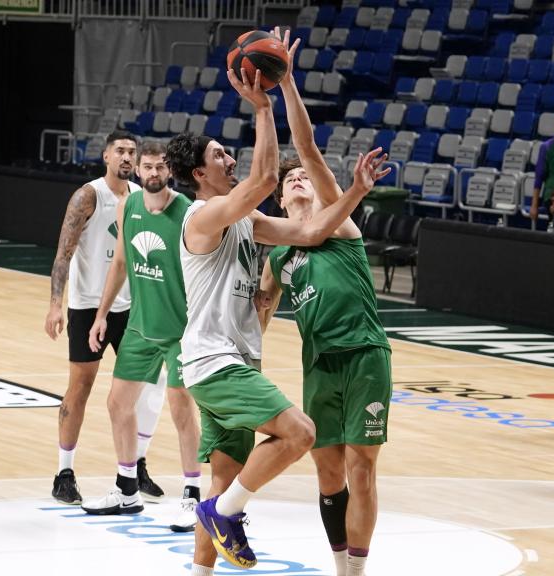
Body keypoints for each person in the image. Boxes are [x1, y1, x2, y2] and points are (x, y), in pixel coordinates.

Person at [167, 69, 390, 573]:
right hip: (217, 362)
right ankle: (223, 514)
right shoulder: (203, 216)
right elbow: (265, 180)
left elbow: (311, 232)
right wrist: (263, 106)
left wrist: (353, 191)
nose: (230, 158)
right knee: (300, 434)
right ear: (200, 174)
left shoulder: (256, 225)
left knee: (224, 477)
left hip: (250, 360)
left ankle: (204, 557)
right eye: (220, 155)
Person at [254, 28, 391, 576]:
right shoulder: (279, 253)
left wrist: (286, 83)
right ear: (279, 198)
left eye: (301, 179)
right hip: (318, 363)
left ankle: (355, 572)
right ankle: (339, 565)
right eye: (287, 181)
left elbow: (306, 147)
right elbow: (261, 310)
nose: (296, 181)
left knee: (361, 470)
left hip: (362, 354)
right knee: (328, 474)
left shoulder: (338, 222)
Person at [79, 141, 202, 531]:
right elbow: (118, 264)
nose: (151, 173)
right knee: (118, 403)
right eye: (146, 167)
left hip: (180, 329)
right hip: (140, 325)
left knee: (182, 410)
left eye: (159, 167)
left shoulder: (187, 212)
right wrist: (101, 315)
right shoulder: (128, 206)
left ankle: (192, 497)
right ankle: (127, 489)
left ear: (169, 171)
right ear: (139, 170)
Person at [43, 130, 165, 506]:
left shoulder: (144, 198)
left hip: (131, 306)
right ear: (106, 157)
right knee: (80, 387)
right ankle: (64, 472)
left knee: (148, 385)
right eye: (121, 152)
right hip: (87, 306)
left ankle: (135, 466)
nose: (127, 157)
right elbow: (64, 253)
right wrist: (55, 304)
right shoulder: (89, 195)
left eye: (132, 152)